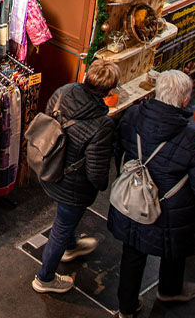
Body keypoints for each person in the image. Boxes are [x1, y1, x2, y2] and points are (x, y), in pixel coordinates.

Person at [108, 70, 195, 317]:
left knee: (132, 254)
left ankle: (126, 307)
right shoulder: (193, 138)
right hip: (171, 211)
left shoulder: (132, 115)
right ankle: (169, 290)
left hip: (133, 201)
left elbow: (119, 151)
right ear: (185, 100)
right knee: (174, 250)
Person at [31, 59, 120, 295]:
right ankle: (45, 278)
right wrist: (102, 186)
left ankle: (70, 246)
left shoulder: (64, 91)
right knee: (60, 228)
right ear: (109, 92)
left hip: (48, 167)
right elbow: (96, 170)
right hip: (73, 185)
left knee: (64, 224)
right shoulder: (102, 125)